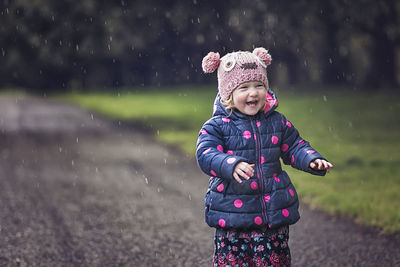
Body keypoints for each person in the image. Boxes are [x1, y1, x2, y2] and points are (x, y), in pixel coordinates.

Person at [196, 47, 333, 267]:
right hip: (233, 215)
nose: (253, 93)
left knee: (274, 261)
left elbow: (294, 146)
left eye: (259, 86)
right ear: (228, 94)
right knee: (234, 262)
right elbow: (205, 154)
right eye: (244, 87)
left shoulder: (276, 121)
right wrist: (230, 163)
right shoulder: (217, 126)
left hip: (272, 212)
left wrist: (310, 159)